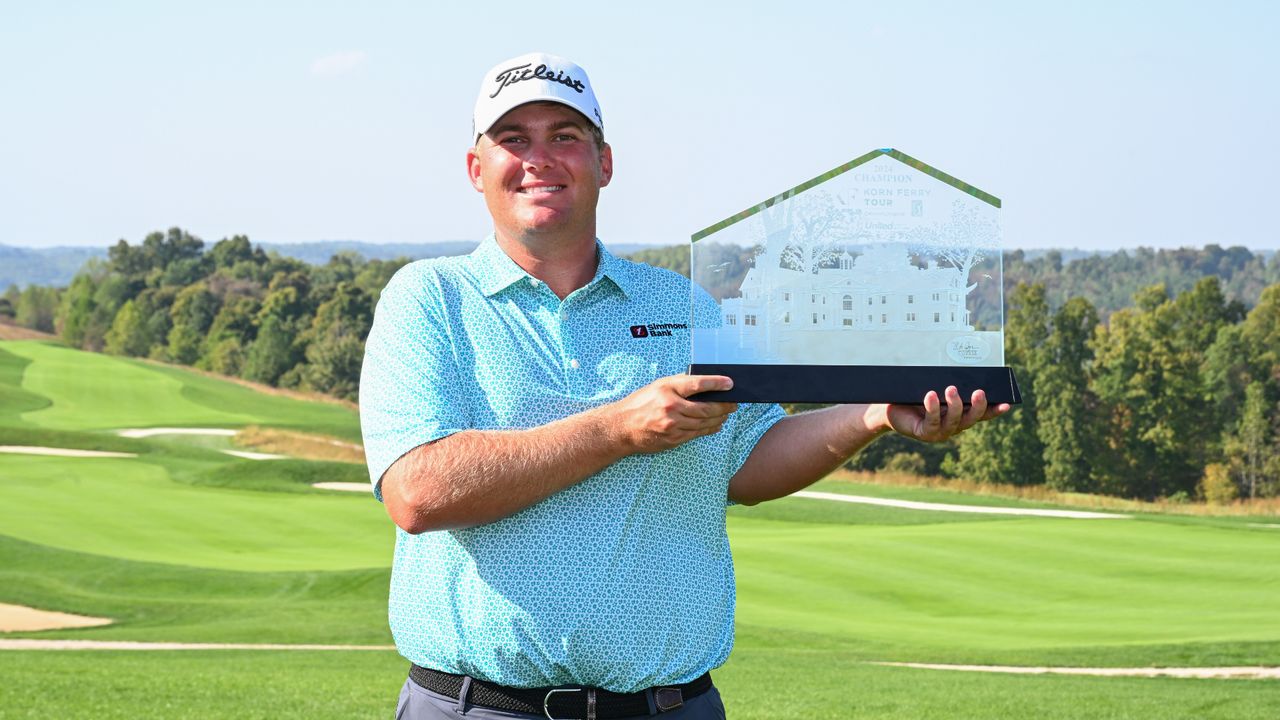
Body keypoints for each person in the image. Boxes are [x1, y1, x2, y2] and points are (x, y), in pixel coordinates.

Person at [359, 51, 1009, 720]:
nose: (539, 158)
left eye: (565, 137)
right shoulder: (429, 299)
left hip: (672, 708)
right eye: (513, 139)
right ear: (476, 169)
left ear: (604, 162)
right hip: (484, 709)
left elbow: (746, 459)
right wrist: (617, 429)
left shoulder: (683, 305)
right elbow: (420, 492)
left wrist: (871, 414)